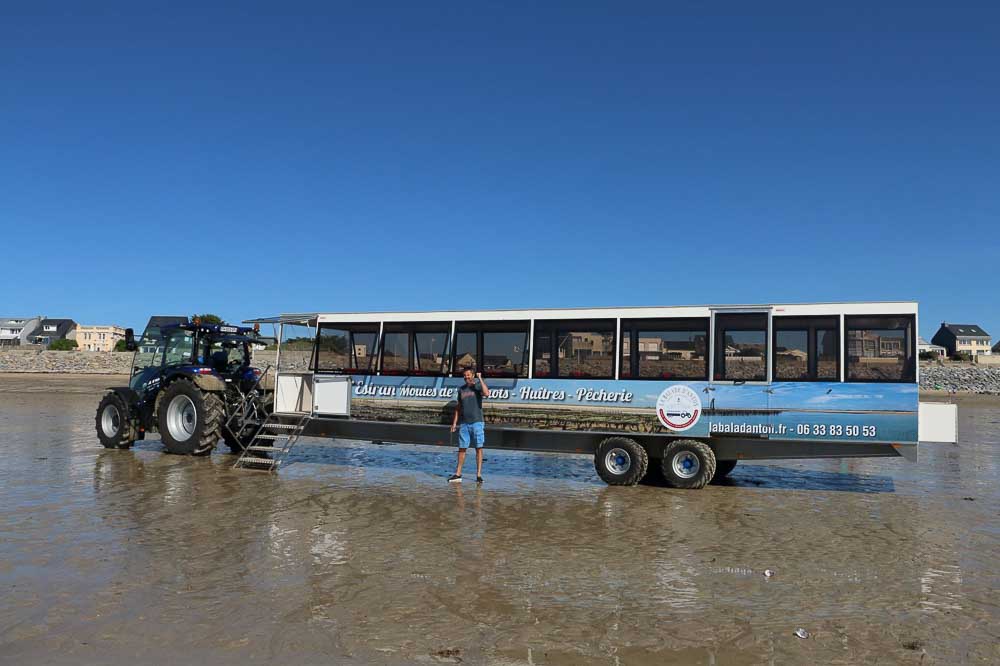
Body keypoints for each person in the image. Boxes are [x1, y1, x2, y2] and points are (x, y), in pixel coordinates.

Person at [449, 368, 489, 483]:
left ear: (473, 375)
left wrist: (480, 378)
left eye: (468, 375)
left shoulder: (477, 386)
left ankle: (478, 475)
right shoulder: (461, 390)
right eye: (464, 375)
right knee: (462, 449)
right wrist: (454, 423)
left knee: (479, 448)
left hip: (477, 422)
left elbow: (486, 393)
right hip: (464, 424)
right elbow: (458, 408)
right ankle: (458, 474)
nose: (466, 377)